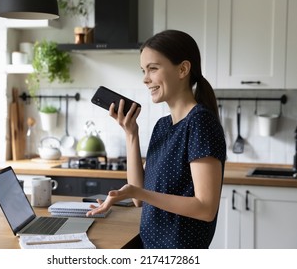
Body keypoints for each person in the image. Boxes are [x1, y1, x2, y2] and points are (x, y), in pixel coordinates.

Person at [87, 30, 226, 249]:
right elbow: (138, 198)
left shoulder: (200, 122)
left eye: (153, 68)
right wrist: (131, 134)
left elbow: (205, 208)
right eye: (143, 70)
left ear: (183, 69)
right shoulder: (163, 126)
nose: (145, 79)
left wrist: (138, 192)